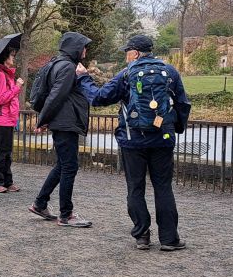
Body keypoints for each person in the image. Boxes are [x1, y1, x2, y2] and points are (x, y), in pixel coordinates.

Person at [77, 34, 191, 251]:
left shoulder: (126, 74)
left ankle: (142, 236)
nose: (126, 56)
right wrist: (174, 127)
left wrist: (83, 78)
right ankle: (169, 239)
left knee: (135, 187)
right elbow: (183, 103)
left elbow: (99, 98)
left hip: (132, 140)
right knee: (163, 187)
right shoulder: (170, 72)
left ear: (136, 53)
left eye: (127, 52)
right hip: (162, 140)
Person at [30, 32, 94, 227]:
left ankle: (40, 203)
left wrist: (45, 119)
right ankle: (66, 215)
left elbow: (52, 95)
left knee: (62, 165)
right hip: (66, 123)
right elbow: (56, 96)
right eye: (83, 47)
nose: (85, 51)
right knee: (69, 167)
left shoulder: (56, 64)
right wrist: (42, 120)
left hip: (61, 122)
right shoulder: (67, 67)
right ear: (75, 48)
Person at [0, 48, 24, 192]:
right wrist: (17, 87)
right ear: (5, 58)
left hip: (7, 119)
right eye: (11, 56)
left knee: (7, 153)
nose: (13, 58)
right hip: (0, 119)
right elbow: (1, 98)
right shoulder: (0, 75)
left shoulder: (7, 75)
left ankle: (7, 182)